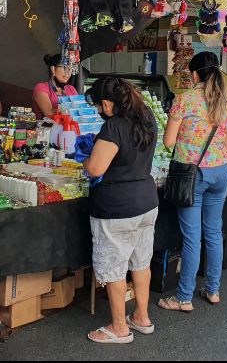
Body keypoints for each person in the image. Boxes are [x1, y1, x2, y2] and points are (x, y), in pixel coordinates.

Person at [83, 76, 159, 344]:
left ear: (106, 103)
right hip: (147, 202)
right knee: (141, 262)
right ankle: (141, 316)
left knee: (114, 268)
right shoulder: (147, 116)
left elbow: (95, 169)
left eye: (97, 106)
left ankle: (119, 328)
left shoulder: (113, 128)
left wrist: (85, 160)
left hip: (117, 207)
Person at [158, 52, 227, 312]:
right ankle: (212, 290)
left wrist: (186, 143)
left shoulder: (185, 99)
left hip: (193, 175)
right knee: (214, 233)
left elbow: (168, 142)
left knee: (192, 238)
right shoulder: (225, 102)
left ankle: (183, 297)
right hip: (221, 172)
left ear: (194, 74)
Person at [32, 54, 79, 119]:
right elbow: (49, 113)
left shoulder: (71, 88)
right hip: (47, 128)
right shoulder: (41, 87)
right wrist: (74, 111)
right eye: (65, 68)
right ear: (53, 69)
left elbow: (80, 108)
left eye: (70, 69)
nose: (68, 73)